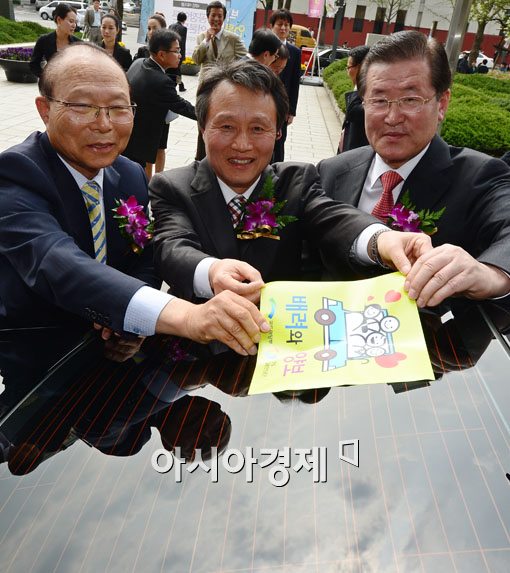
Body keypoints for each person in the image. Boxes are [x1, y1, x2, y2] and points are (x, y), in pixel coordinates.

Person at [0, 44, 270, 359]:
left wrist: (129, 319)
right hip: (38, 353)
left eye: (118, 107)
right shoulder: (16, 173)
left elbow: (145, 256)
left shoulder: (129, 174)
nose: (104, 124)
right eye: (83, 106)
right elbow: (57, 262)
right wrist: (186, 316)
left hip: (119, 348)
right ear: (45, 110)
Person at [148, 59, 435, 308]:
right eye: (226, 127)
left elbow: (334, 219)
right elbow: (172, 247)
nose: (242, 144)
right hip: (196, 344)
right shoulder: (172, 187)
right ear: (202, 127)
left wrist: (381, 240)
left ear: (278, 133)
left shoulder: (296, 182)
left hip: (284, 340)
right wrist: (212, 272)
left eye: (258, 128)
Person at [318, 31, 510, 306]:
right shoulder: (331, 171)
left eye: (410, 100)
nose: (393, 117)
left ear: (442, 104)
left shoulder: (480, 177)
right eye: (379, 100)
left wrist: (491, 274)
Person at [124, 29, 196, 180]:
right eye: (176, 51)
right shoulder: (160, 81)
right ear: (162, 54)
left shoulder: (139, 63)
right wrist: (211, 115)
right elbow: (184, 107)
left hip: (127, 137)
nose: (180, 55)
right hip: (139, 143)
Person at [192, 1, 247, 160]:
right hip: (206, 89)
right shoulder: (201, 37)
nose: (216, 19)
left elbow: (246, 59)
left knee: (224, 124)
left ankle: (221, 157)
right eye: (213, 15)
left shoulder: (232, 39)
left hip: (226, 90)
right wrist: (206, 41)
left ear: (224, 18)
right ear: (207, 17)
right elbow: (196, 59)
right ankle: (200, 159)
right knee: (203, 124)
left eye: (219, 16)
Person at [269, 9, 301, 162]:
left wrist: (291, 111)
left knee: (280, 143)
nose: (283, 28)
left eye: (286, 25)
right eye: (279, 24)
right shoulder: (265, 47)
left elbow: (295, 82)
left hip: (283, 106)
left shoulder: (295, 52)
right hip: (264, 102)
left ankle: (277, 171)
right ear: (272, 26)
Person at [29, 3, 81, 78]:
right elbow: (34, 64)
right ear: (59, 20)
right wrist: (46, 78)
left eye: (75, 22)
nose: (74, 25)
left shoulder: (78, 43)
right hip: (51, 83)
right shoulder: (44, 40)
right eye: (71, 21)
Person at [337, 45, 370, 154]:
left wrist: (358, 82)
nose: (347, 71)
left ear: (361, 68)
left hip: (358, 152)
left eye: (349, 67)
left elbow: (353, 112)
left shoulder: (372, 93)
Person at [168, 12, 188, 92]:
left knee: (173, 69)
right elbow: (182, 43)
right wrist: (182, 55)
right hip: (178, 53)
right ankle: (179, 85)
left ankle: (180, 85)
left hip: (169, 52)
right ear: (184, 19)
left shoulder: (171, 26)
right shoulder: (183, 29)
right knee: (177, 70)